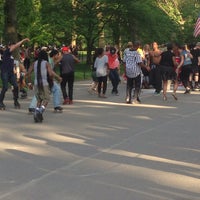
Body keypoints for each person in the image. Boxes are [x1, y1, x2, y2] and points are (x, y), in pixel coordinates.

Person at [27, 50, 58, 121]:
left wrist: (29, 83)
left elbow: (28, 73)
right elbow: (50, 74)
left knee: (39, 100)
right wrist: (51, 80)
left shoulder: (34, 63)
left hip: (36, 83)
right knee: (46, 99)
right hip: (44, 83)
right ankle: (39, 111)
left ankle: (37, 111)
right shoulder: (46, 63)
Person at [0, 38, 30, 109]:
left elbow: (13, 64)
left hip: (11, 73)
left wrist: (16, 71)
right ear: (9, 46)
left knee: (16, 86)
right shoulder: (7, 52)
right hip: (5, 72)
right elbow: (16, 46)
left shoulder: (11, 56)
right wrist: (23, 40)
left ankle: (16, 101)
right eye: (12, 46)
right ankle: (0, 102)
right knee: (5, 87)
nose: (14, 47)